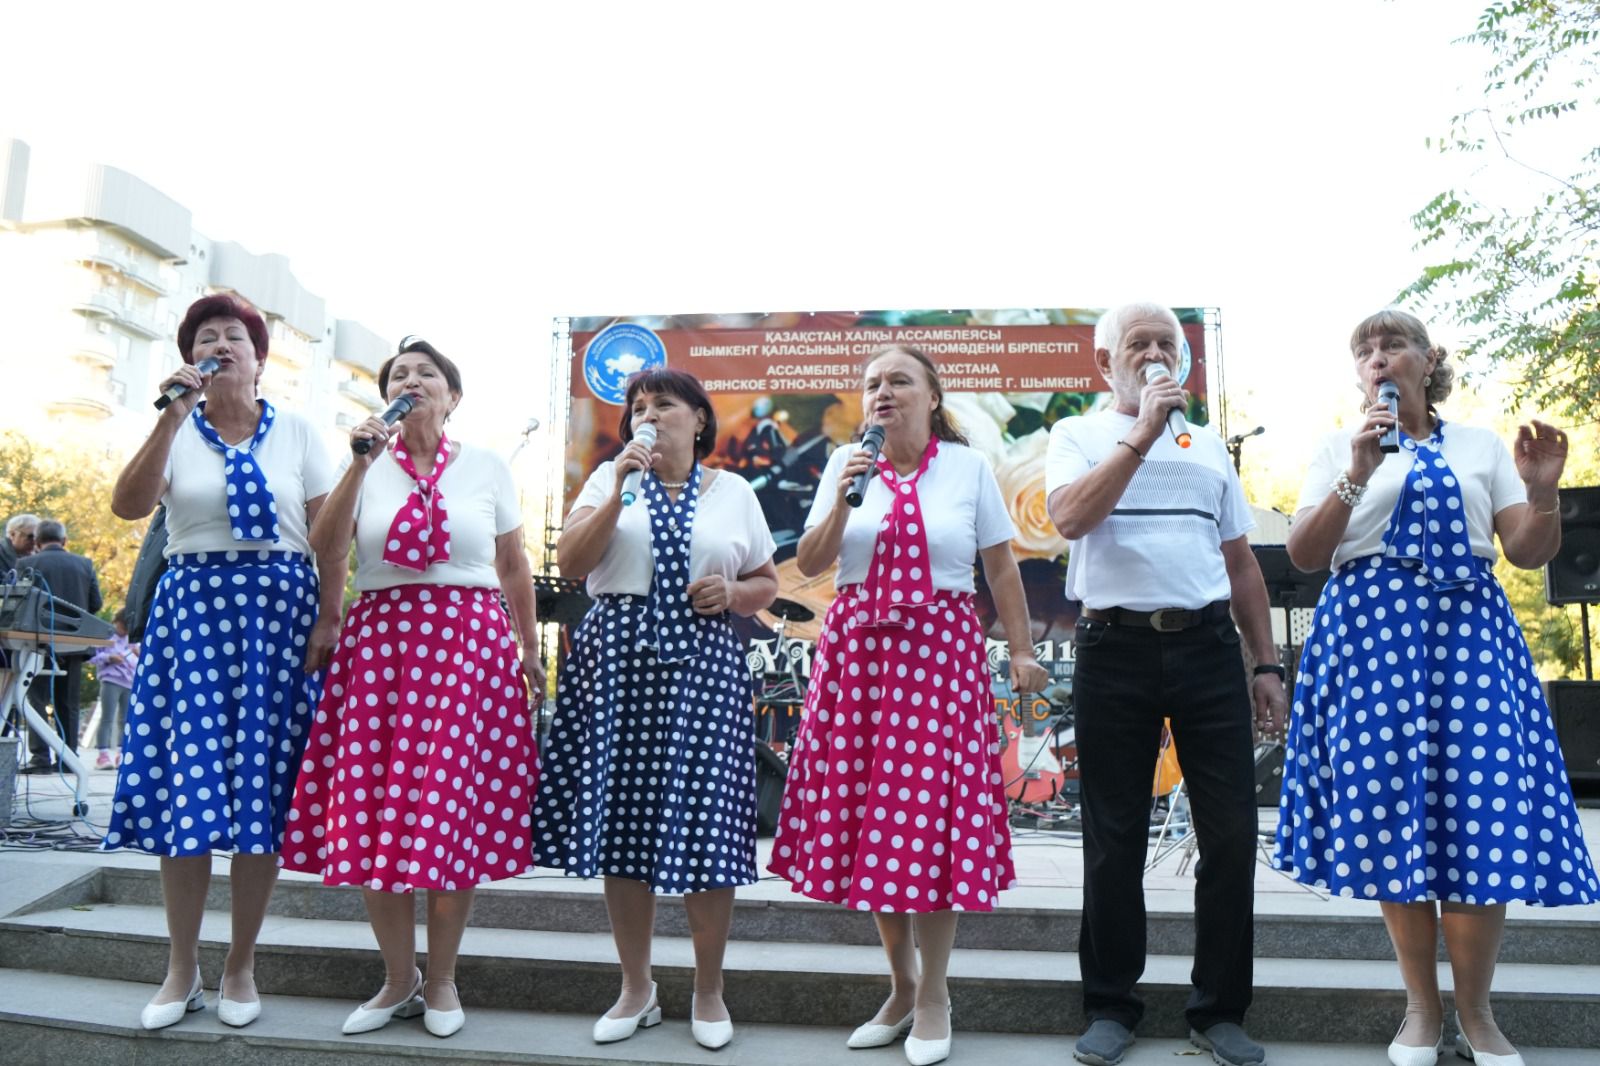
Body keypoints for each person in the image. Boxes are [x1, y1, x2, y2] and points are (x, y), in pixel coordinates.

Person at [1274, 309, 1598, 1066]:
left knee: (1483, 810)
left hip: (1470, 636)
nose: (1378, 358)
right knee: (1395, 814)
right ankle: (1421, 1009)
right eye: (1365, 350)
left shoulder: (1479, 445)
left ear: (1428, 360)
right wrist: (1357, 473)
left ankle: (1478, 1014)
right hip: (1371, 638)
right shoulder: (1339, 447)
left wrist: (1543, 493)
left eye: (1393, 345)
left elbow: (1526, 551)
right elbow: (1305, 554)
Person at [769, 344, 1049, 1066]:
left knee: (928, 818)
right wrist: (842, 497)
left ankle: (934, 996)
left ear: (932, 396)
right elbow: (812, 560)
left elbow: (1000, 567)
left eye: (898, 380)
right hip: (858, 653)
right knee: (874, 818)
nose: (882, 392)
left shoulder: (968, 468)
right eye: (871, 383)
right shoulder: (847, 463)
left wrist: (1022, 651)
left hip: (939, 653)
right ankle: (901, 987)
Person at [1044, 302, 1286, 1066]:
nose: (1154, 354)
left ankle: (1219, 1010)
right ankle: (1111, 1005)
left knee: (1232, 833)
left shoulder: (1209, 446)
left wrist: (1266, 664)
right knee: (1113, 835)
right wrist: (1142, 433)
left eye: (1167, 345)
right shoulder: (1075, 434)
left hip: (1208, 646)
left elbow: (1240, 562)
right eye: (1138, 343)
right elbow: (1069, 519)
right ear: (1104, 363)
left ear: (1183, 361)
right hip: (1114, 647)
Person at [282, 337, 543, 1040]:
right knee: (374, 815)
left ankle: (444, 979)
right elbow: (325, 546)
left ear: (453, 397)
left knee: (448, 815)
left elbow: (513, 563)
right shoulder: (364, 465)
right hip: (382, 651)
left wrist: (529, 647)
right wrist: (359, 464)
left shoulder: (486, 466)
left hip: (468, 652)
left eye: (428, 373)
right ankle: (399, 979)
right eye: (399, 374)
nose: (412, 381)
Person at [102, 293, 339, 1032]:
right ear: (191, 361)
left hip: (280, 619)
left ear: (259, 360)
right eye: (206, 337)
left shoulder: (298, 432)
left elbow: (331, 536)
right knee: (190, 791)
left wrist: (330, 617)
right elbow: (128, 506)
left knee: (259, 798)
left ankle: (240, 964)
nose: (221, 345)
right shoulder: (177, 430)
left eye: (235, 335)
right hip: (194, 617)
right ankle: (182, 968)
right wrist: (169, 418)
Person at [534, 367, 778, 1051]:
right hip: (618, 664)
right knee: (622, 825)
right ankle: (636, 988)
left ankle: (708, 989)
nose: (647, 414)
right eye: (637, 406)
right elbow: (574, 561)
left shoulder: (734, 492)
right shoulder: (609, 481)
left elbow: (767, 580)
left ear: (699, 419)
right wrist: (618, 487)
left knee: (708, 823)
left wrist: (733, 594)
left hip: (704, 668)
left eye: (663, 404)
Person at [19, 519, 103, 773]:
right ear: (64, 540)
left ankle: (40, 759)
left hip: (37, 643)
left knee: (36, 701)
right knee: (68, 703)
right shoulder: (84, 564)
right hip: (75, 643)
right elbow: (96, 604)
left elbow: (20, 604)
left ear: (37, 542)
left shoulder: (26, 564)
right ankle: (68, 759)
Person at [87, 607, 138, 769]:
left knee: (125, 719)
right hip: (110, 680)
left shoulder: (131, 639)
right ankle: (102, 755)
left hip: (129, 681)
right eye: (123, 627)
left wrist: (138, 653)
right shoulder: (106, 635)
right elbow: (91, 656)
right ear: (117, 622)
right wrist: (109, 657)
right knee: (107, 717)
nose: (124, 632)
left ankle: (122, 754)